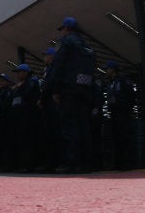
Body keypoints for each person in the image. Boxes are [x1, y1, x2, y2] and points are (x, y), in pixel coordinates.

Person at [48, 16, 96, 173]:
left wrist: (55, 90)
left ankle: (72, 162)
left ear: (67, 29)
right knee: (84, 127)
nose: (60, 32)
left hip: (69, 91)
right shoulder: (85, 46)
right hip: (85, 91)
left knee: (70, 128)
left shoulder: (66, 43)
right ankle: (86, 162)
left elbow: (58, 67)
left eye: (61, 29)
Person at [102, 60, 136, 170]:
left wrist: (125, 108)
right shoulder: (111, 83)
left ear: (113, 69)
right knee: (116, 138)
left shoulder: (122, 81)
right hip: (114, 113)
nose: (106, 71)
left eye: (107, 69)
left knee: (125, 137)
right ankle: (119, 163)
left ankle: (128, 162)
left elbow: (131, 96)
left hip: (123, 113)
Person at [10, 63, 41, 172]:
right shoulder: (19, 85)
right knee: (21, 141)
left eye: (19, 72)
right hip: (19, 116)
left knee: (28, 141)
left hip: (28, 116)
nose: (18, 75)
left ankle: (29, 165)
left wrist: (20, 86)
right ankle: (23, 164)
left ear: (25, 72)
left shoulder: (31, 81)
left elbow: (28, 96)